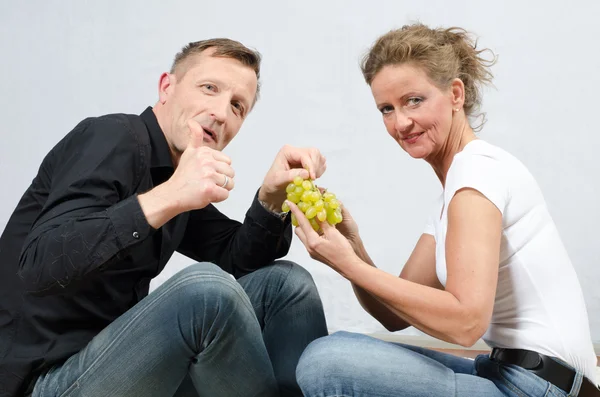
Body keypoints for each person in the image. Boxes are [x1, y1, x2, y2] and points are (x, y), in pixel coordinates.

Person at [0, 38, 329, 397]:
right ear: (166, 87)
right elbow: (36, 264)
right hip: (40, 383)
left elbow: (237, 257)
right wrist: (169, 197)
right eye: (209, 88)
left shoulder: (175, 173)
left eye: (237, 106)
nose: (220, 112)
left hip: (115, 362)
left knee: (286, 284)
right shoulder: (111, 138)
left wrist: (270, 197)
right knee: (205, 290)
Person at [290, 23, 599, 397]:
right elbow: (392, 314)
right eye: (386, 108)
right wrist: (352, 246)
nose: (400, 122)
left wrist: (347, 264)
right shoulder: (453, 194)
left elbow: (466, 323)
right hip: (503, 372)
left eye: (413, 100)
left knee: (327, 362)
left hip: (541, 387)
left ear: (455, 94)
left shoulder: (478, 174)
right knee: (340, 350)